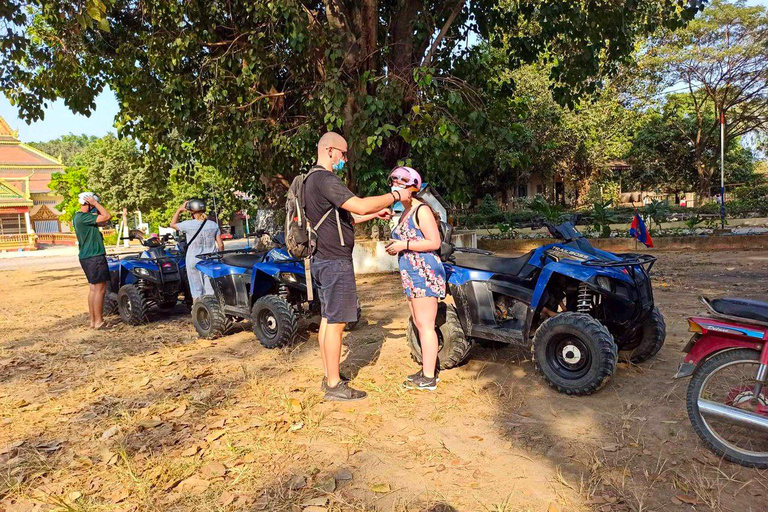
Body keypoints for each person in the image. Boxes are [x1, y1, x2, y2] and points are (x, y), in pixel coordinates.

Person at [305, 131, 411, 401]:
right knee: (337, 322)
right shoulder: (325, 179)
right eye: (343, 154)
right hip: (334, 262)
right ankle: (333, 384)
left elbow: (343, 219)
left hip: (321, 260)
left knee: (328, 320)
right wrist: (395, 196)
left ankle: (331, 374)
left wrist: (375, 213)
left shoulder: (309, 181)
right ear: (329, 151)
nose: (345, 159)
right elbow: (360, 206)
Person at [386, 166, 446, 391]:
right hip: (411, 275)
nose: (396, 189)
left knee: (426, 325)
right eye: (394, 185)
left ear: (412, 188)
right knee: (419, 324)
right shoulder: (404, 210)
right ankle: (426, 369)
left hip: (424, 274)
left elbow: (434, 242)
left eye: (400, 185)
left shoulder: (422, 210)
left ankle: (429, 377)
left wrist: (404, 245)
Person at [170, 199, 224, 301]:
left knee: (197, 291)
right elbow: (220, 245)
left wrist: (179, 210)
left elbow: (172, 224)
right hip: (210, 260)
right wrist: (220, 256)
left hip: (193, 260)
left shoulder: (188, 224)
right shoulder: (213, 225)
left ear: (191, 212)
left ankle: (199, 312)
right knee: (210, 290)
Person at [73, 192, 112, 329]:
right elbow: (107, 216)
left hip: (86, 257)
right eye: (93, 204)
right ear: (88, 203)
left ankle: (93, 322)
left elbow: (105, 220)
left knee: (93, 289)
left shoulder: (79, 217)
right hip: (94, 257)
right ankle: (99, 321)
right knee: (100, 290)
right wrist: (96, 203)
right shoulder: (84, 217)